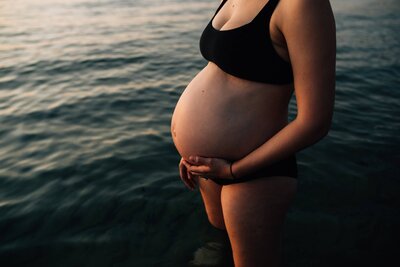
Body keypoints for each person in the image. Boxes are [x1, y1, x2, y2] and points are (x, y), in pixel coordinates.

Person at [170, 0, 336, 266]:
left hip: (254, 170)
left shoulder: (302, 5)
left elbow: (315, 121)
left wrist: (234, 170)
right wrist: (191, 148)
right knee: (218, 243)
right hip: (208, 166)